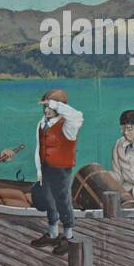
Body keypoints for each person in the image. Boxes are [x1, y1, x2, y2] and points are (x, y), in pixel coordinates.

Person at [29, 88, 84, 255]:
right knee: (48, 199)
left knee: (63, 200)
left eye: (50, 107)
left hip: (61, 169)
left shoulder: (69, 125)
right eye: (44, 106)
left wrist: (57, 105)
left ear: (60, 108)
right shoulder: (42, 123)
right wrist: (39, 169)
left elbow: (77, 116)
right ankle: (53, 233)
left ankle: (68, 236)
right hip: (46, 167)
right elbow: (39, 147)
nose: (46, 110)